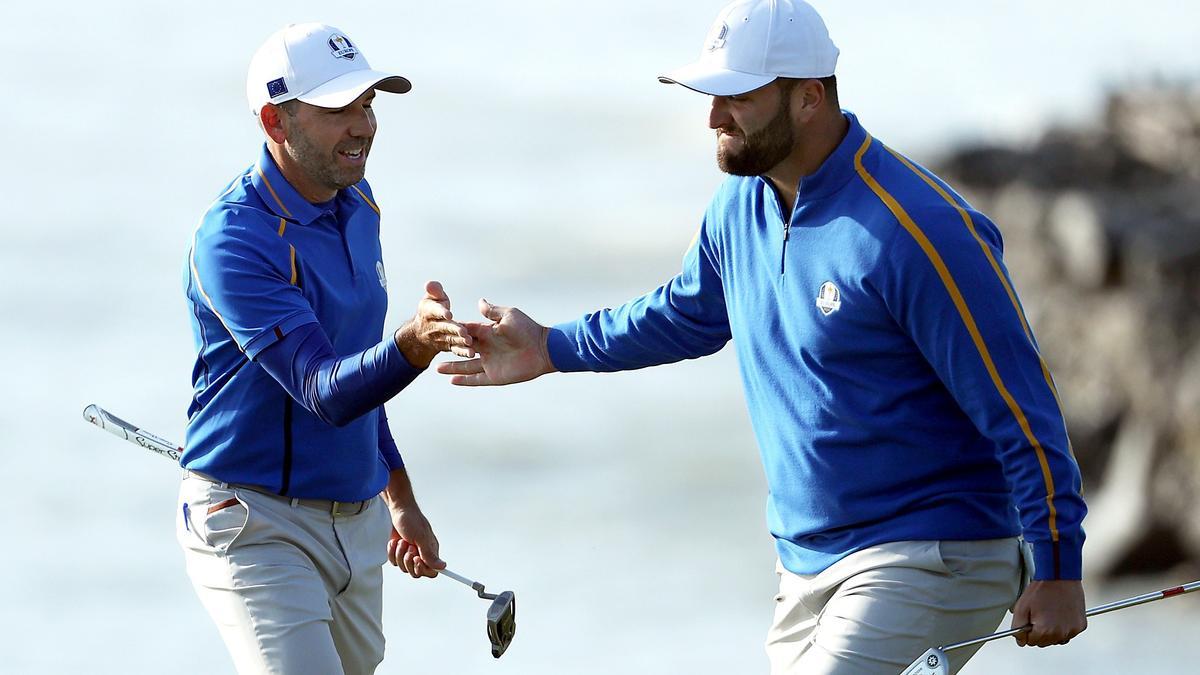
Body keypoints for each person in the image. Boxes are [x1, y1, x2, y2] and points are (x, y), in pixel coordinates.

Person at [438, 1, 1087, 672]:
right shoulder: (739, 206)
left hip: (933, 552)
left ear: (808, 98)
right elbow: (687, 313)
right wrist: (549, 347)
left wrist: (1058, 564)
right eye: (711, 97)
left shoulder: (919, 230)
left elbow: (1021, 405)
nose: (714, 118)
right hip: (806, 568)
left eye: (737, 98)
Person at [178, 23, 471, 674]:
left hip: (358, 522)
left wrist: (400, 498)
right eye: (338, 109)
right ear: (275, 123)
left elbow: (356, 365)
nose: (362, 125)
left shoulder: (358, 202)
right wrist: (415, 346)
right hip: (253, 524)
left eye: (367, 104)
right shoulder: (234, 241)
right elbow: (322, 390)